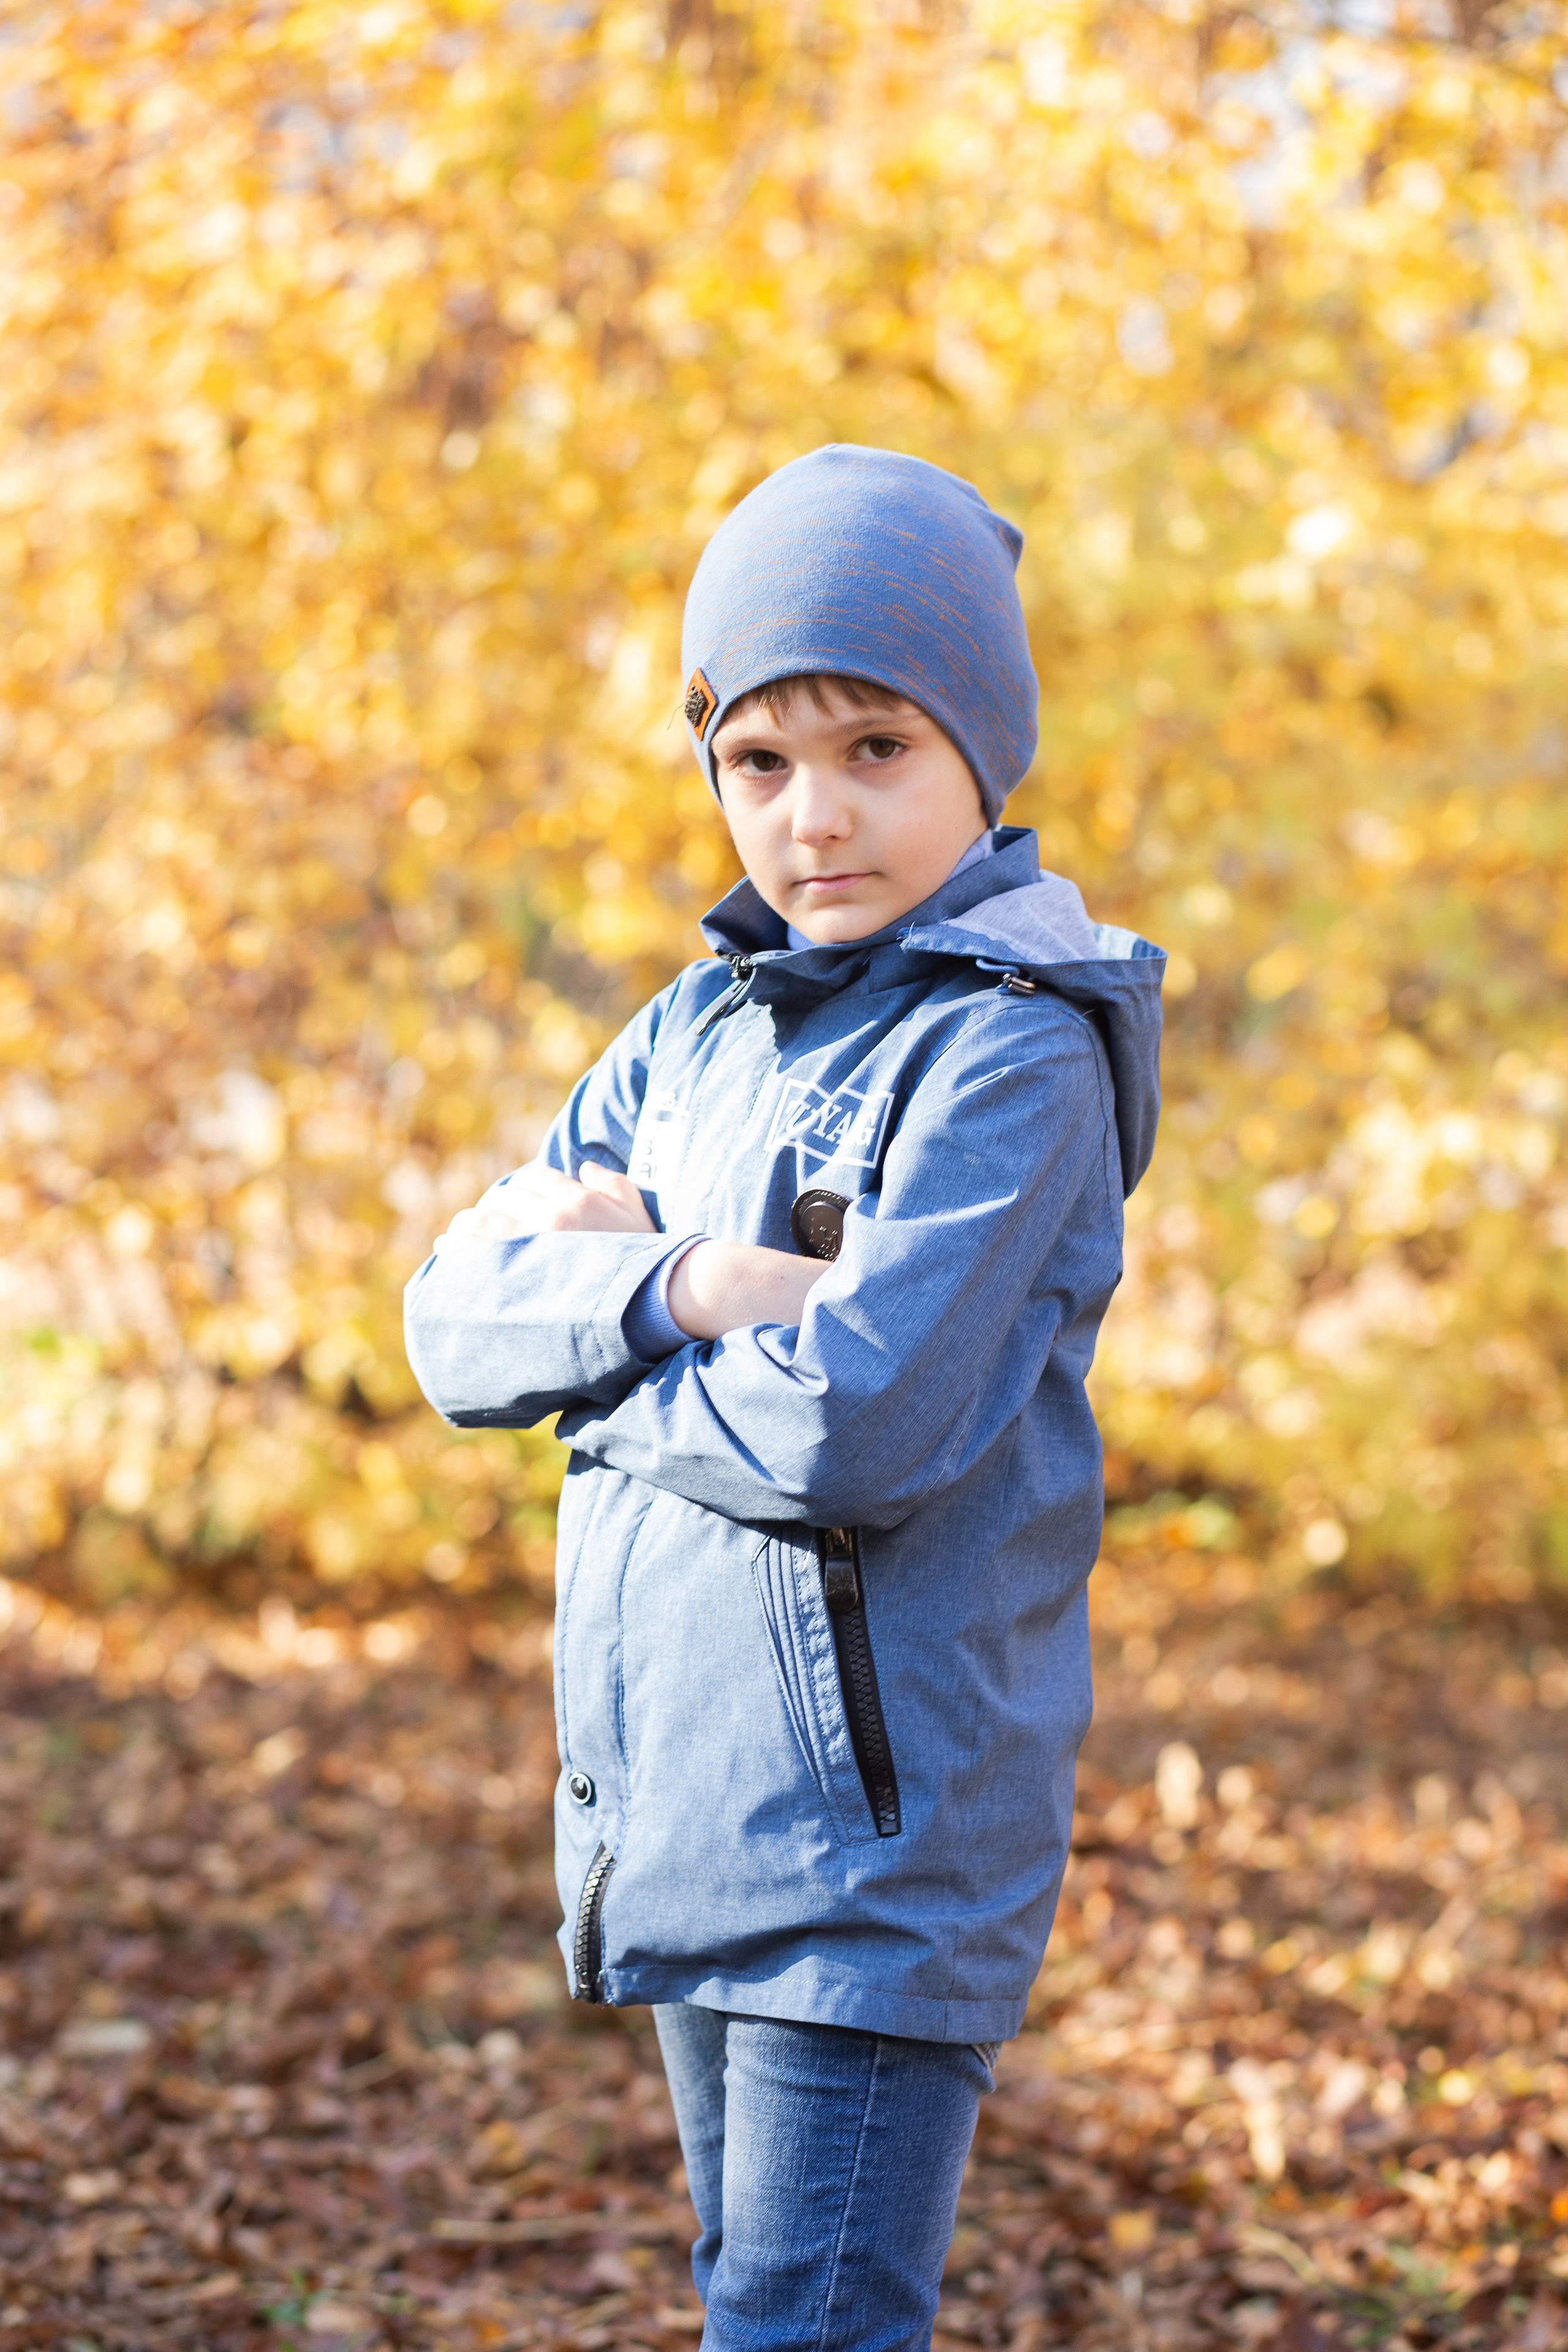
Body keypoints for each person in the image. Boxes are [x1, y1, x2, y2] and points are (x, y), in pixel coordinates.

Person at [404, 444, 1164, 2351]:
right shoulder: (691, 1029)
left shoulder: (1015, 1053)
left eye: (876, 750)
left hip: (877, 1849)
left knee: (804, 2322)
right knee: (759, 2297)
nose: (814, 815)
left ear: (981, 747)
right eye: (759, 761)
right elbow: (450, 1321)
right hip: (691, 1812)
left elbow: (860, 1424)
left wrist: (602, 1368)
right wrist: (689, 1288)